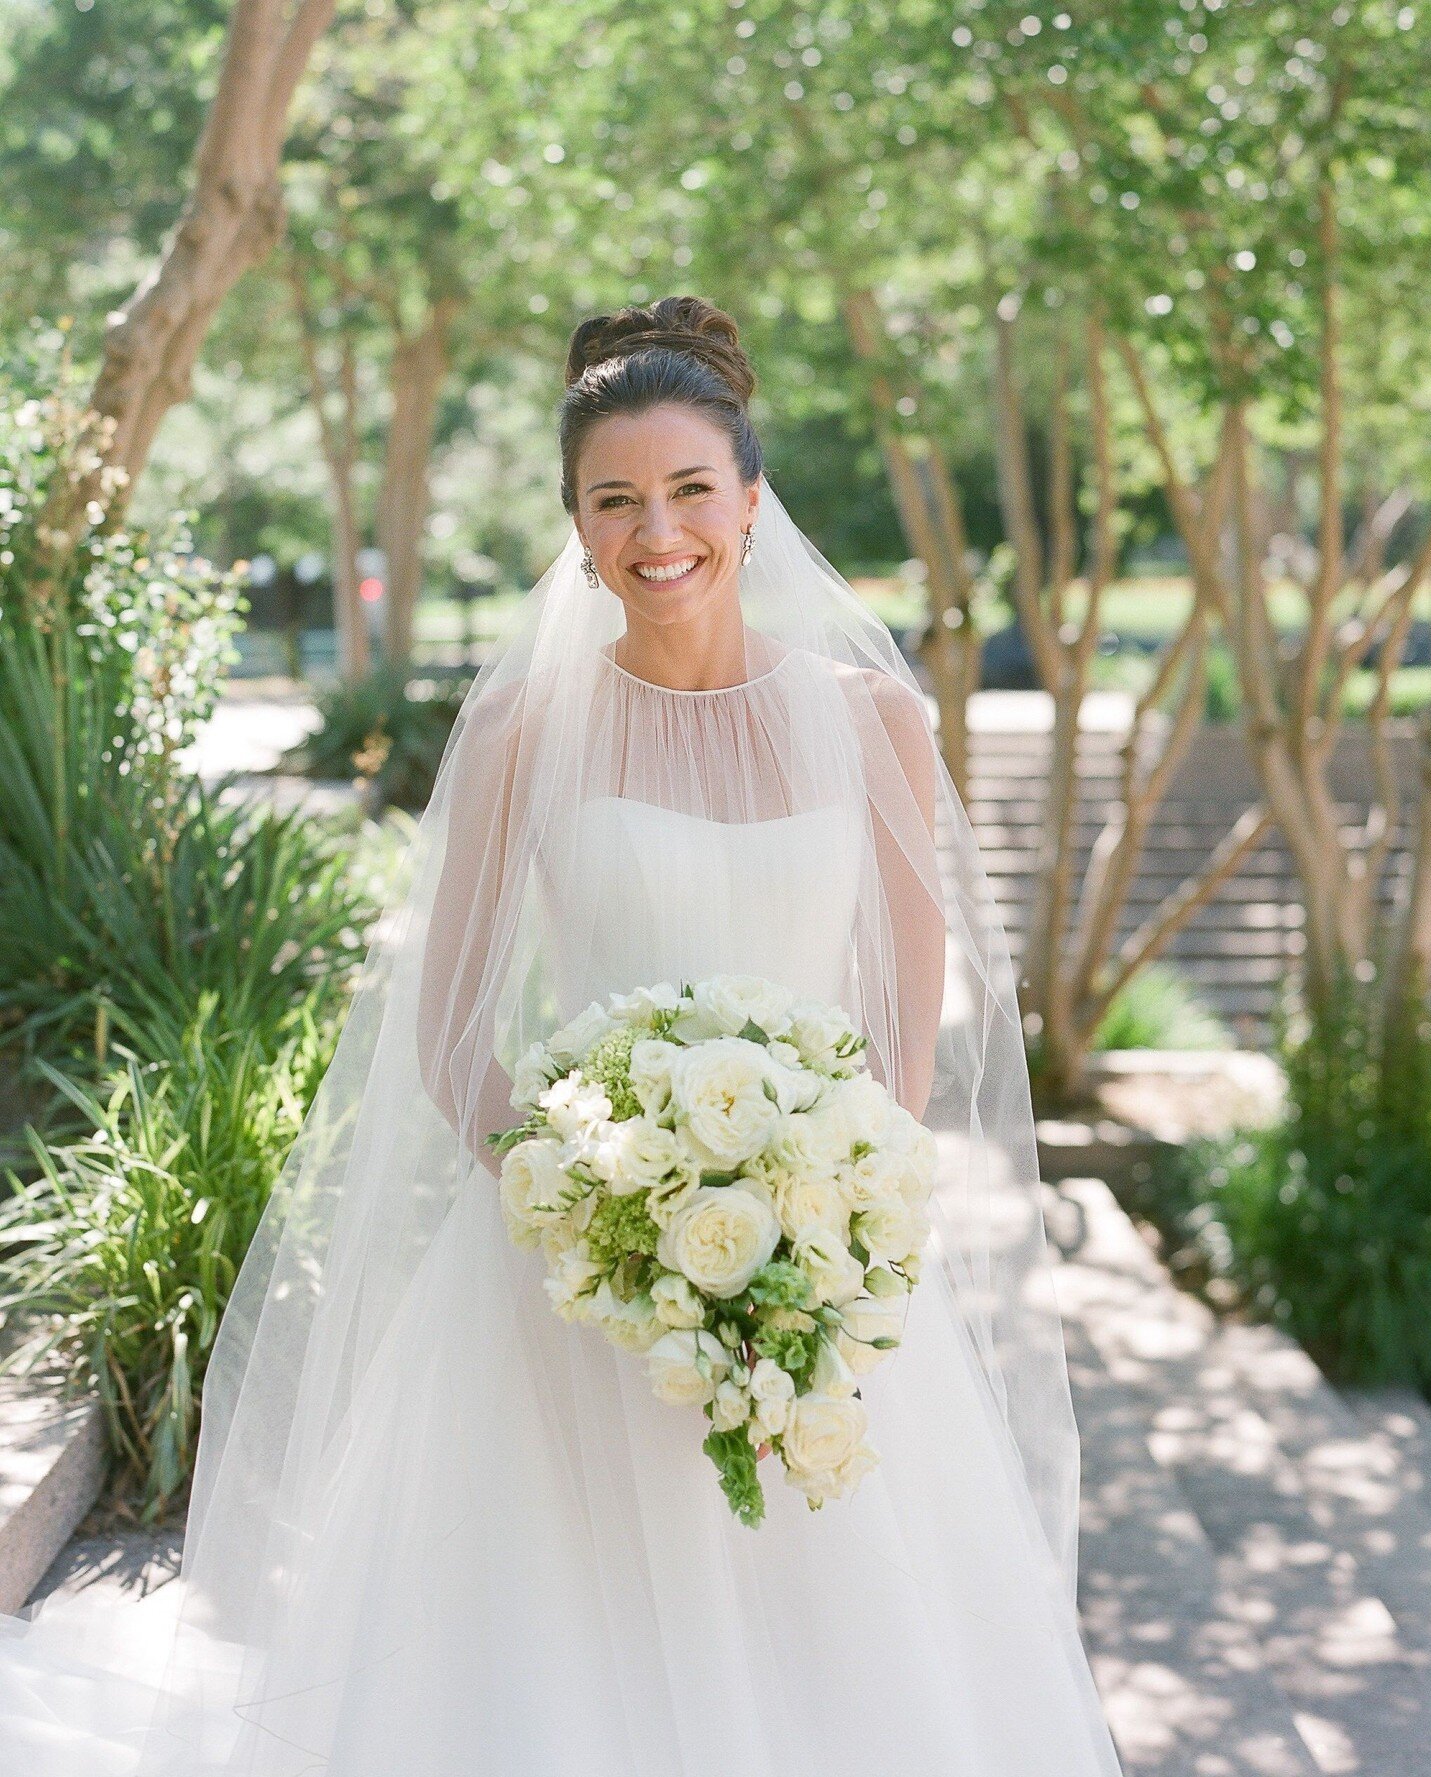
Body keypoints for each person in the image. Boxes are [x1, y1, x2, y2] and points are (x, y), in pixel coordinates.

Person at [0, 295, 1124, 1774]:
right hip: (560, 1289)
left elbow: (902, 1045)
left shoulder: (872, 726)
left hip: (814, 1277)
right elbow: (452, 1034)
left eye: (688, 490)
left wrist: (819, 1230)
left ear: (751, 500)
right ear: (579, 527)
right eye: (615, 499)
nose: (657, 530)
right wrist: (595, 1206)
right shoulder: (529, 727)